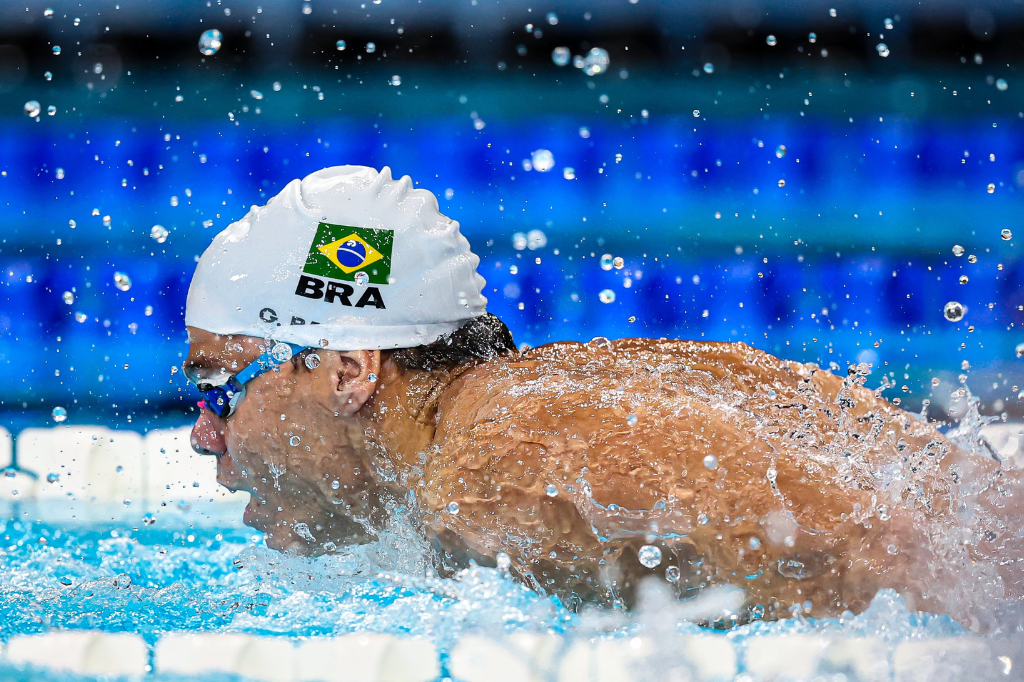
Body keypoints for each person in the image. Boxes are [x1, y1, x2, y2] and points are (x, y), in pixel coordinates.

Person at [185, 165, 1021, 627]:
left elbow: (900, 562)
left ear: (350, 371)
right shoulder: (576, 382)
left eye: (221, 390)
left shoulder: (490, 482)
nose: (200, 436)